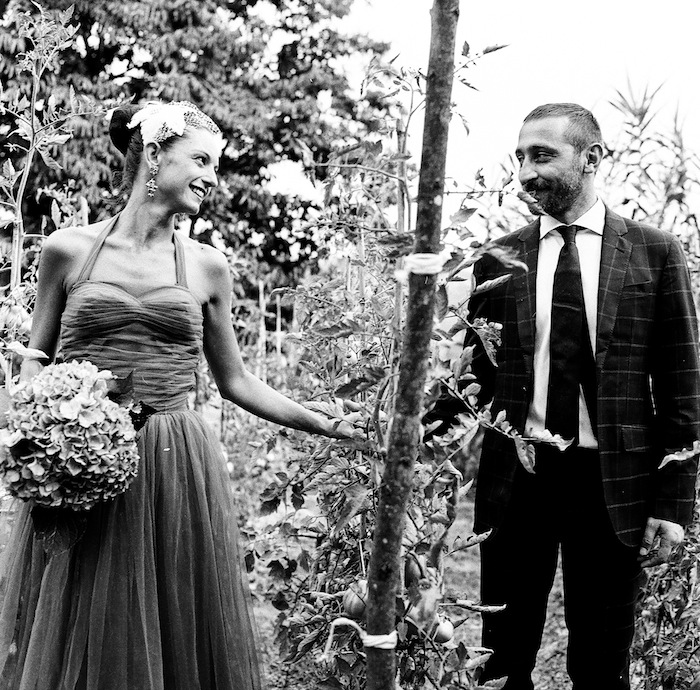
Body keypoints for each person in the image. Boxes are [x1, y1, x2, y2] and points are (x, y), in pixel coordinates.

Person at [0, 100, 357, 689]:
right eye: (201, 160)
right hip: (79, 460)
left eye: (216, 165)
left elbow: (235, 381)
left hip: (171, 463)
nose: (212, 177)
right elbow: (35, 362)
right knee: (81, 616)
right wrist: (39, 432)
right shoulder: (67, 250)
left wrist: (320, 421)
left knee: (169, 622)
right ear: (153, 154)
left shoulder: (207, 266)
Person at [462, 103, 700, 689]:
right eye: (520, 157)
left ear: (591, 158)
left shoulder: (654, 252)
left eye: (542, 155)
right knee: (502, 661)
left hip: (613, 484)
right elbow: (471, 378)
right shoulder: (497, 259)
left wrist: (672, 506)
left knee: (601, 666)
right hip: (517, 482)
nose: (526, 173)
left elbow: (682, 388)